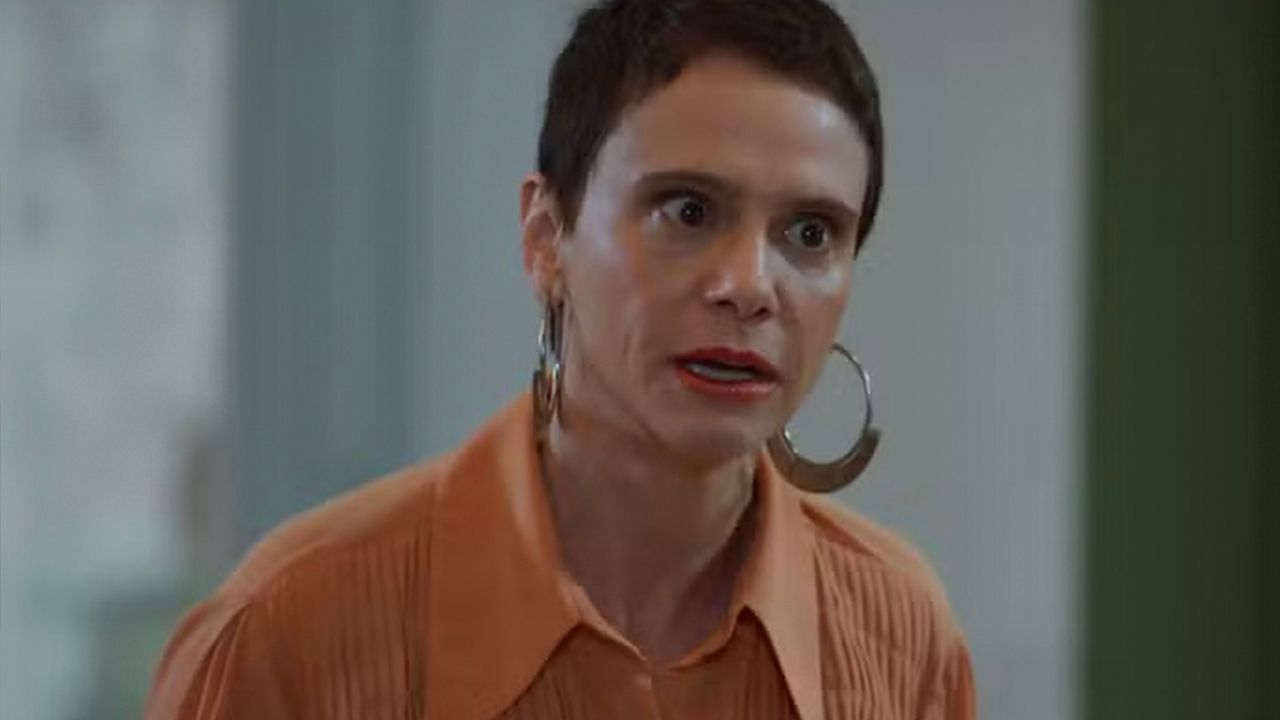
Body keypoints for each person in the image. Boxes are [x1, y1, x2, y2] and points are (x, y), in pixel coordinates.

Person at [144, 0, 977, 717]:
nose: (751, 286)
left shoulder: (899, 638)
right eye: (688, 211)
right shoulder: (294, 626)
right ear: (546, 238)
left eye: (810, 233)